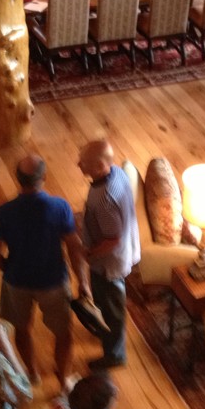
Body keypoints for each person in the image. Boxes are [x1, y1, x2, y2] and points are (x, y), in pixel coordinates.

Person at [0, 154, 90, 389]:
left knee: (22, 329)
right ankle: (63, 380)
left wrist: (10, 268)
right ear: (43, 177)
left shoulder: (4, 212)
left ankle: (32, 373)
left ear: (17, 178)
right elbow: (74, 248)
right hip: (53, 282)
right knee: (63, 333)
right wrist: (83, 282)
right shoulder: (60, 207)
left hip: (16, 282)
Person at [78, 139, 140, 370]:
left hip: (108, 264)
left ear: (100, 166)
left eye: (83, 162)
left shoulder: (104, 199)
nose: (78, 164)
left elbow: (113, 239)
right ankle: (105, 331)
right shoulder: (118, 174)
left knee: (111, 307)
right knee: (107, 302)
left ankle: (115, 354)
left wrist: (89, 253)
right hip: (121, 253)